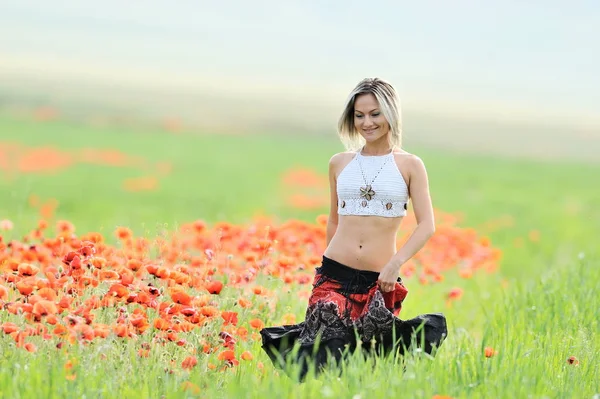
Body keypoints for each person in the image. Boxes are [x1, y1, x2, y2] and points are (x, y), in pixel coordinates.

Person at [260, 77, 447, 381]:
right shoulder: (339, 162)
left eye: (375, 113)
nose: (367, 122)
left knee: (366, 365)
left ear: (391, 113)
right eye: (359, 115)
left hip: (380, 281)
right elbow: (334, 220)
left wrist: (394, 265)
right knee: (323, 358)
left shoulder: (410, 165)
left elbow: (427, 225)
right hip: (334, 273)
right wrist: (324, 267)